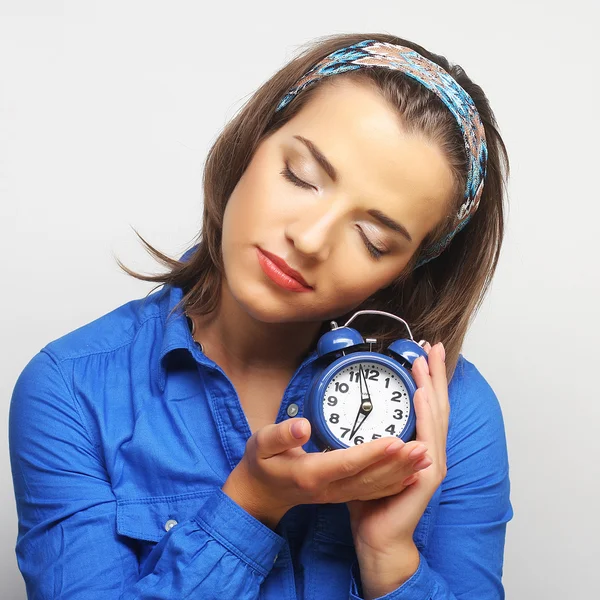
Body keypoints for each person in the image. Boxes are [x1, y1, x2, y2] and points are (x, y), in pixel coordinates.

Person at [8, 32, 513, 599]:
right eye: (300, 175)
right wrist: (252, 504)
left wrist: (389, 558)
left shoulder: (451, 410)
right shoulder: (71, 388)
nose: (310, 238)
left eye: (372, 239)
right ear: (254, 139)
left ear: (406, 269)